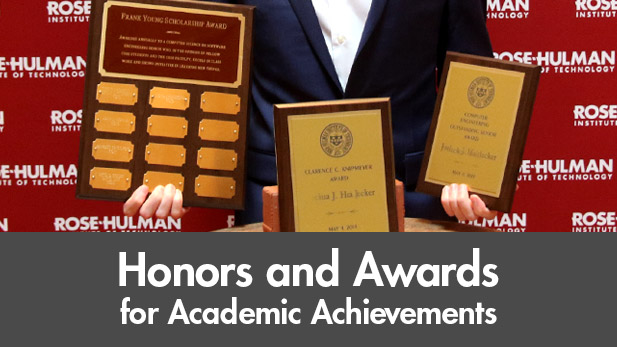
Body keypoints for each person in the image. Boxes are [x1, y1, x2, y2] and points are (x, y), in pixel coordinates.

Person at [123, 0, 498, 224]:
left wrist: (473, 176)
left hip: (411, 197)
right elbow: (199, 64)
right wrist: (175, 174)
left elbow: (472, 72)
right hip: (275, 197)